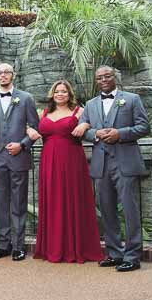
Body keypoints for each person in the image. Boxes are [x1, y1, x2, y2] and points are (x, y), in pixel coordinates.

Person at [79, 66, 150, 272]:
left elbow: (144, 127)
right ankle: (114, 253)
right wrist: (96, 134)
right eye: (99, 77)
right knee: (107, 209)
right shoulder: (90, 105)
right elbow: (84, 130)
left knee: (129, 209)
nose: (103, 80)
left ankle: (133, 256)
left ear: (114, 77)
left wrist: (120, 133)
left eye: (107, 76)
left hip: (125, 162)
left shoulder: (132, 99)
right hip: (101, 164)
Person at [26, 80, 103, 263]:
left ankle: (74, 247)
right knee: (52, 200)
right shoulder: (44, 113)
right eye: (57, 91)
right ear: (52, 94)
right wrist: (28, 129)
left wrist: (84, 125)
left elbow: (95, 126)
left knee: (72, 199)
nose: (60, 94)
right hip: (48, 161)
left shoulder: (80, 111)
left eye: (64, 91)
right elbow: (29, 126)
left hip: (72, 161)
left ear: (69, 94)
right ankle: (53, 247)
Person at [0, 63, 39, 261]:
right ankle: (3, 245)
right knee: (1, 203)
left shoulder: (26, 98)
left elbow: (35, 128)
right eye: (0, 72)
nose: (3, 75)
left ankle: (18, 246)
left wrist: (22, 145)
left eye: (6, 72)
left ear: (13, 75)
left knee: (19, 203)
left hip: (18, 158)